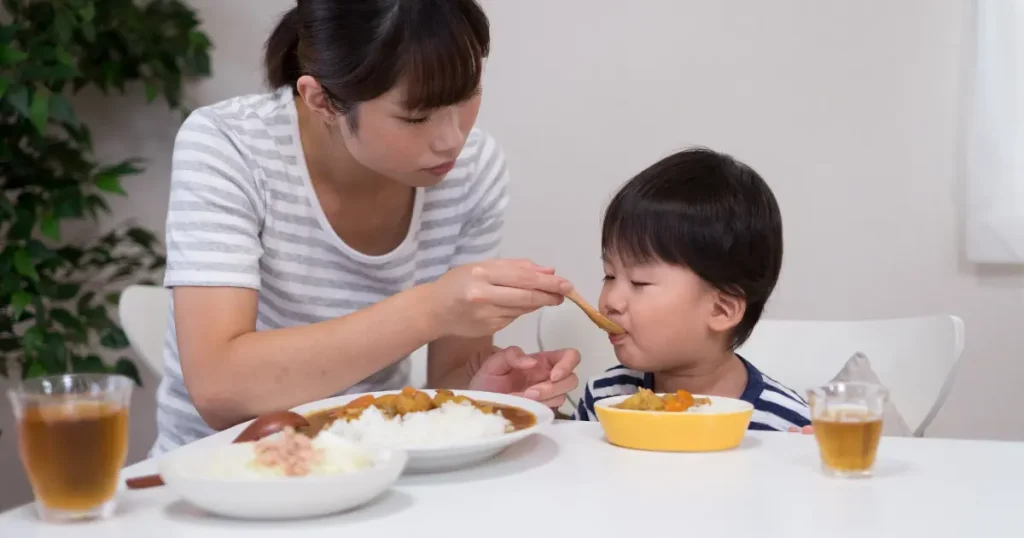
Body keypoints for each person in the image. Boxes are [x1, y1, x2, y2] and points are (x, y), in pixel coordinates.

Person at [152, 0, 580, 455]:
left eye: (467, 95)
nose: (452, 138)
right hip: (223, 475)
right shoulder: (230, 146)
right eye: (415, 117)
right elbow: (220, 391)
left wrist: (487, 391)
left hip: (376, 469)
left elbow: (448, 377)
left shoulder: (472, 168)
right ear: (322, 101)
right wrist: (431, 308)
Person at [572, 147, 813, 432]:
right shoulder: (604, 400)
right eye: (609, 276)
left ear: (721, 309)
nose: (610, 301)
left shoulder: (785, 426)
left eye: (639, 282)